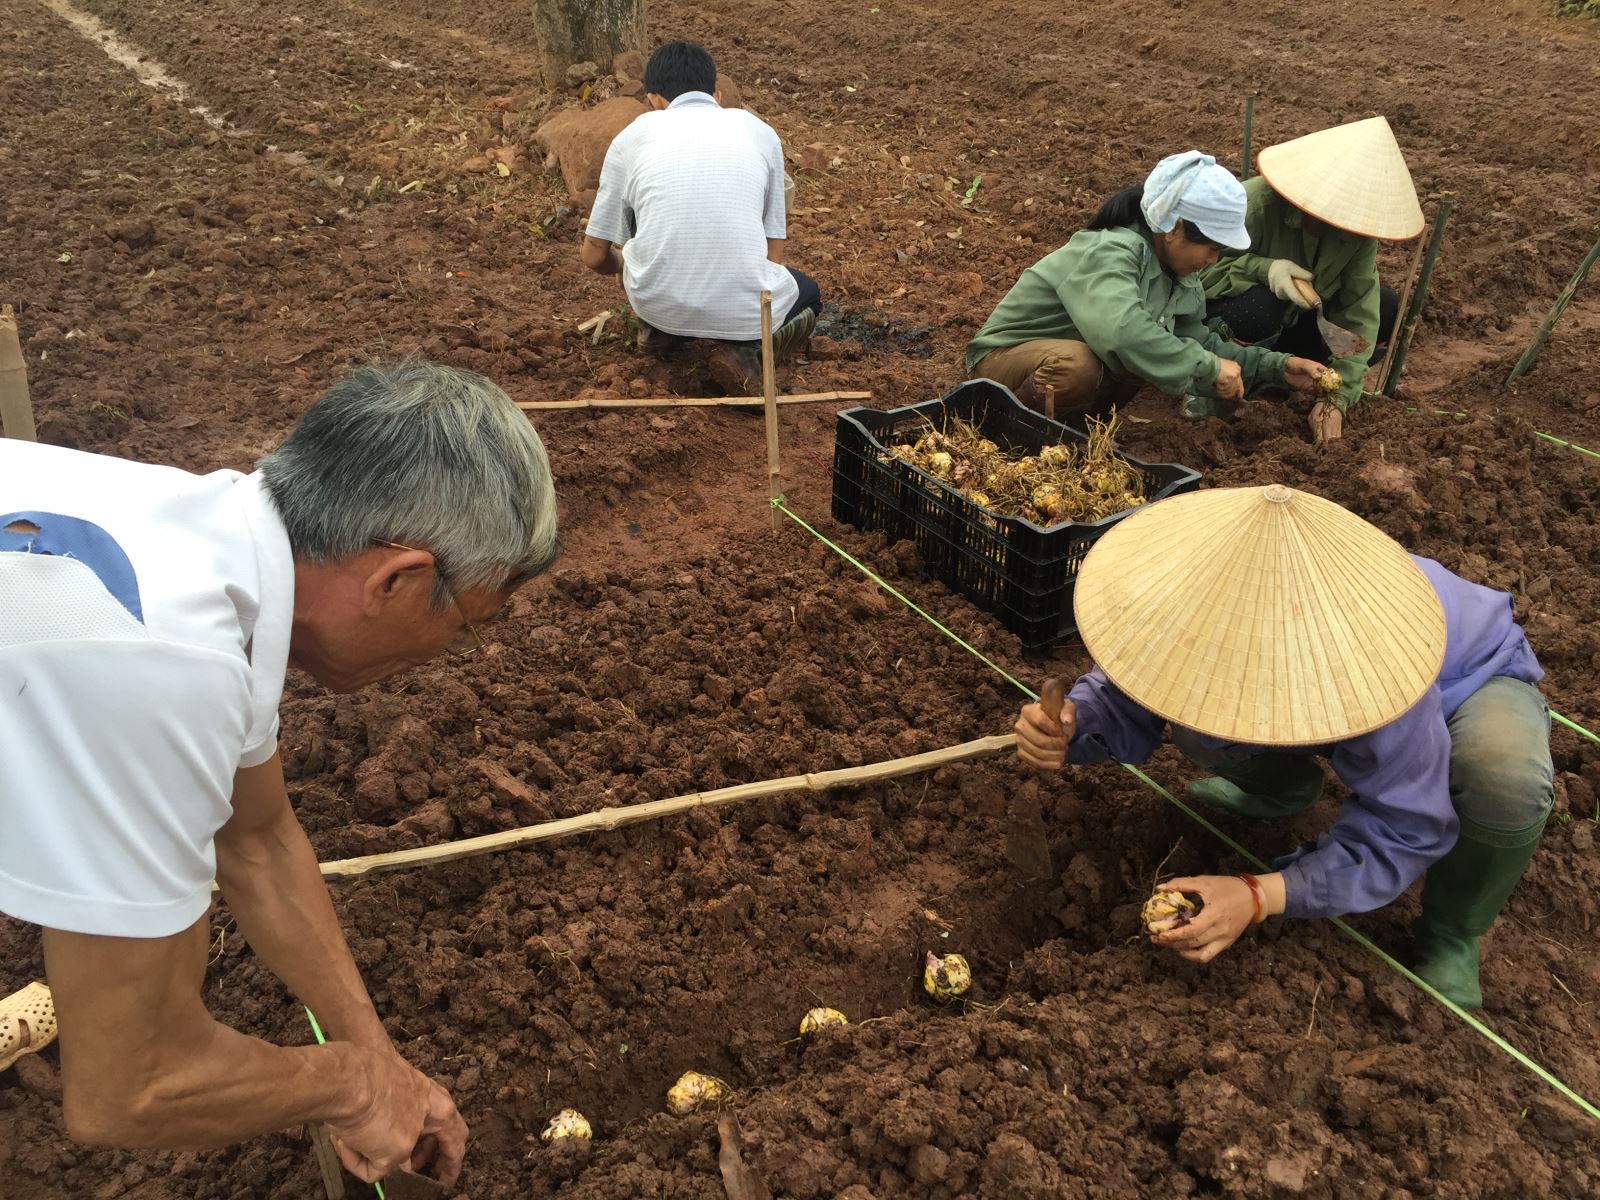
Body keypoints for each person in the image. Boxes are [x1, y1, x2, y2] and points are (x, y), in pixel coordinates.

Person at [0, 360, 560, 1187]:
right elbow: (129, 1085)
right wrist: (352, 1086)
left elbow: (256, 837)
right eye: (468, 627)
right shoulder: (167, 664)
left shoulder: (204, 550)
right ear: (398, 579)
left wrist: (377, 1056)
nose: (455, 655)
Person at [1013, 484, 1551, 1009]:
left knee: (1503, 782)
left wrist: (1257, 895)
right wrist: (1072, 728)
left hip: (1466, 674)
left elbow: (1405, 826)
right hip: (1341, 662)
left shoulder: (1374, 660)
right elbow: (1129, 693)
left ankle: (1452, 929)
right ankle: (1286, 785)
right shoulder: (1198, 603)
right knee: (1202, 715)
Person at [966, 150, 1329, 418]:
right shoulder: (1111, 250)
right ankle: (1001, 426)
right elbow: (1123, 333)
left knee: (1146, 354)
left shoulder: (1177, 275)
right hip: (1002, 364)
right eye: (1212, 248)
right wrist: (1208, 366)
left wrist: (1278, 366)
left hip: (1056, 368)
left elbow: (1198, 342)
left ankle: (1071, 431)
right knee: (1080, 363)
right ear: (1174, 229)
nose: (1213, 260)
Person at [581, 40, 821, 394]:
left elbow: (593, 255)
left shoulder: (632, 136)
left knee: (638, 216)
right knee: (811, 295)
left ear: (654, 99)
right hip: (748, 312)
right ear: (718, 95)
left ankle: (657, 331)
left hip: (655, 301)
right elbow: (775, 242)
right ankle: (748, 352)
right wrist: (751, 307)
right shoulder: (759, 132)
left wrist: (625, 263)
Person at [1197, 117, 1424, 445]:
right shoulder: (1253, 205)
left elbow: (1359, 311)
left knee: (1386, 308)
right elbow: (1195, 276)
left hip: (1295, 331)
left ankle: (1299, 379)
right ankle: (1221, 385)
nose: (1337, 223)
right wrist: (1264, 269)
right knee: (1260, 307)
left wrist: (1337, 396)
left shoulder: (1356, 237)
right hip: (1226, 331)